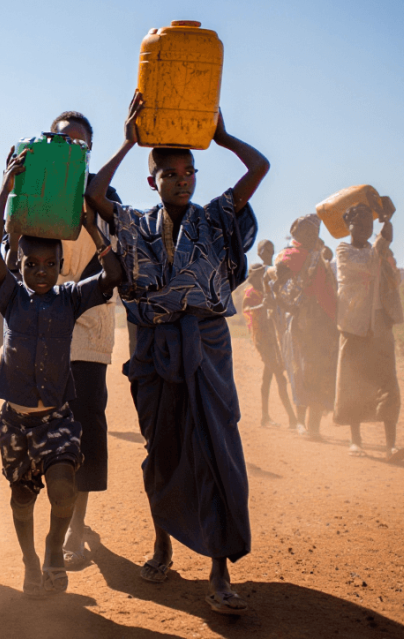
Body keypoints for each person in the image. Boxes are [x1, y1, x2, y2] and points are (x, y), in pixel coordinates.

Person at [87, 92, 267, 615]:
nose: (183, 180)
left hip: (207, 346)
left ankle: (219, 571)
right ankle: (162, 544)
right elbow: (94, 193)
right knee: (161, 451)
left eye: (189, 172)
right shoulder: (134, 223)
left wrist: (223, 137)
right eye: (171, 174)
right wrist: (128, 141)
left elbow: (259, 167)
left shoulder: (217, 216)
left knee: (215, 450)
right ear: (154, 182)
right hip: (154, 349)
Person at [0, 145, 122, 597]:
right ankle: (29, 560)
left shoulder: (70, 297)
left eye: (50, 265)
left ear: (62, 267)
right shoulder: (10, 296)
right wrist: (6, 189)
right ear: (19, 266)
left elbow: (113, 276)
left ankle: (52, 549)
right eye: (32, 264)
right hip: (15, 423)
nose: (41, 271)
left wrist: (90, 226)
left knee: (63, 488)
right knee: (22, 498)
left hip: (56, 419)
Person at [333, 203, 404, 462]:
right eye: (359, 225)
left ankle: (391, 446)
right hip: (354, 324)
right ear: (348, 226)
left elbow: (393, 277)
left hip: (381, 323)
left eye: (369, 225)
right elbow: (366, 266)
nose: (365, 230)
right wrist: (382, 240)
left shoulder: (379, 250)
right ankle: (355, 440)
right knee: (353, 382)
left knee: (388, 381)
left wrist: (387, 223)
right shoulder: (344, 251)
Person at [276, 215, 339, 438]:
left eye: (315, 232)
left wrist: (335, 318)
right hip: (302, 324)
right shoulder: (291, 256)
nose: (312, 236)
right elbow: (275, 286)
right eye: (308, 232)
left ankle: (313, 427)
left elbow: (326, 292)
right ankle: (302, 424)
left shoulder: (316, 258)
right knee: (302, 370)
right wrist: (289, 306)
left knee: (319, 371)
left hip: (322, 323)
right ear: (298, 234)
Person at [242, 264, 294, 428]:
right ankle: (292, 418)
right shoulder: (251, 293)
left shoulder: (267, 291)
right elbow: (246, 309)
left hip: (272, 339)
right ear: (252, 277)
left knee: (268, 377)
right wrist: (261, 306)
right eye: (258, 274)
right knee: (279, 376)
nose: (261, 277)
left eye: (262, 274)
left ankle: (265, 417)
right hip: (262, 340)